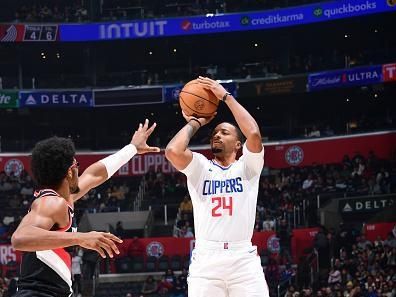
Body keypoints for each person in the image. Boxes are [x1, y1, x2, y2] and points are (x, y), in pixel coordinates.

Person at [11, 119, 159, 297]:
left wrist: (132, 148)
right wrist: (80, 238)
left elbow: (95, 174)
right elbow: (20, 238)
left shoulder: (65, 198)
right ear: (69, 172)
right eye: (76, 165)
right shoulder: (51, 203)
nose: (79, 170)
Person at [165, 76, 268, 297]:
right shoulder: (200, 166)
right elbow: (172, 151)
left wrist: (225, 97)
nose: (217, 135)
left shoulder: (248, 167)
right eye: (214, 133)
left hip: (243, 258)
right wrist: (196, 121)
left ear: (238, 144)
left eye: (224, 132)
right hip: (206, 259)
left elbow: (254, 134)